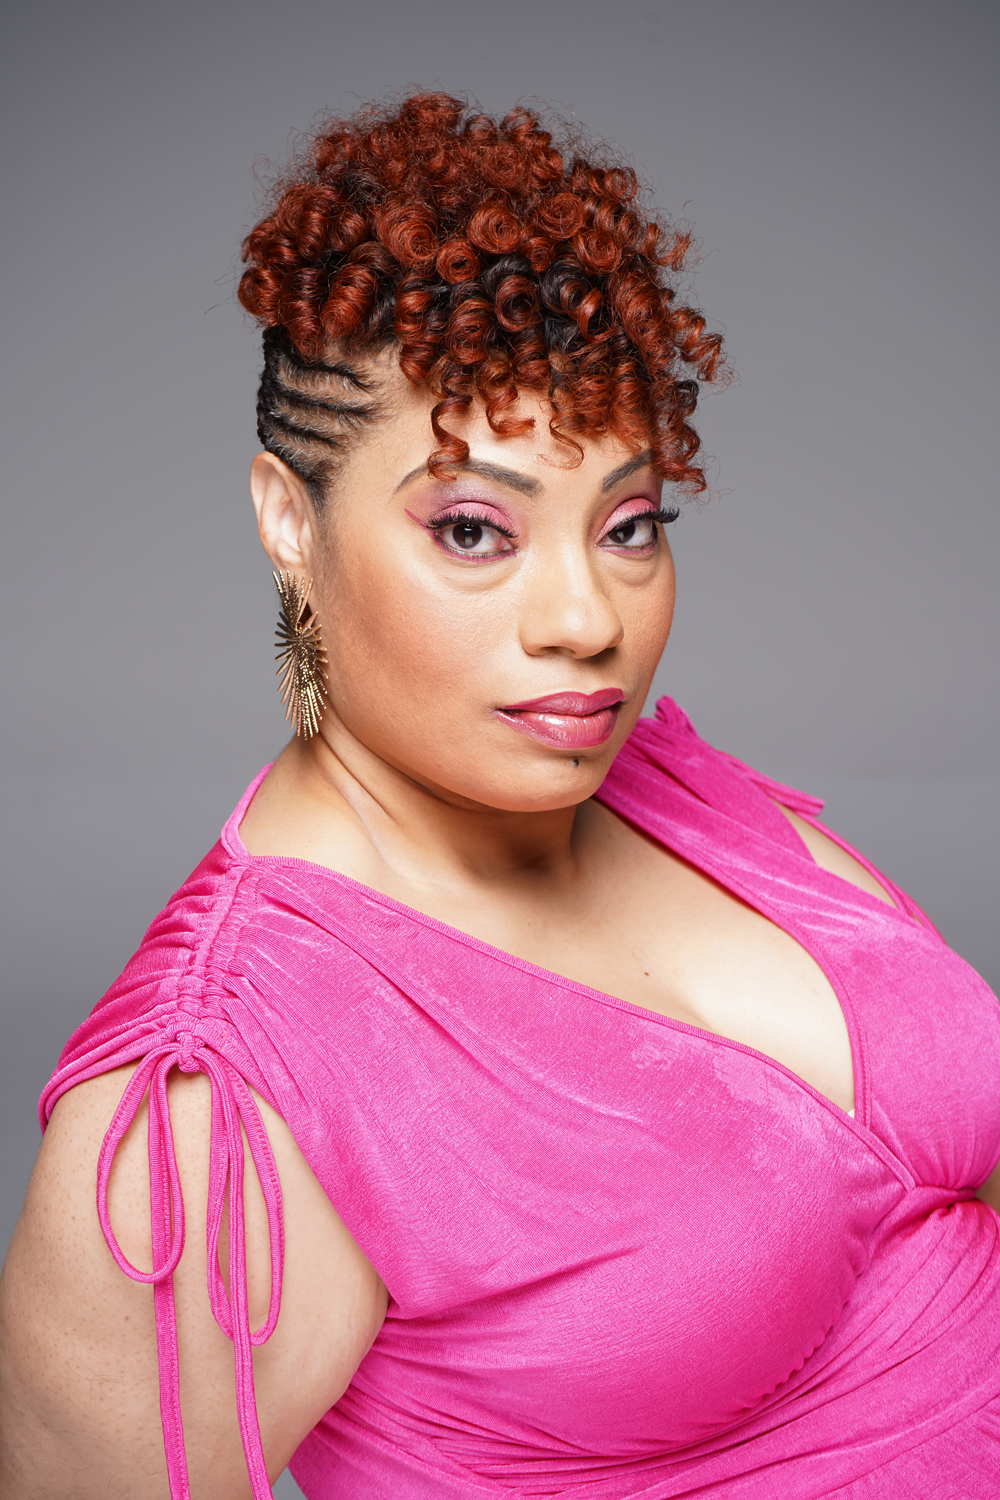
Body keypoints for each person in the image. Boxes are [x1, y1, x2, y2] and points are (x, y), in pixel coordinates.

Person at [1, 90, 998, 1500]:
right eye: (474, 530)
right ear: (289, 519)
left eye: (631, 526)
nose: (587, 621)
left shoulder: (670, 780)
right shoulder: (204, 1107)